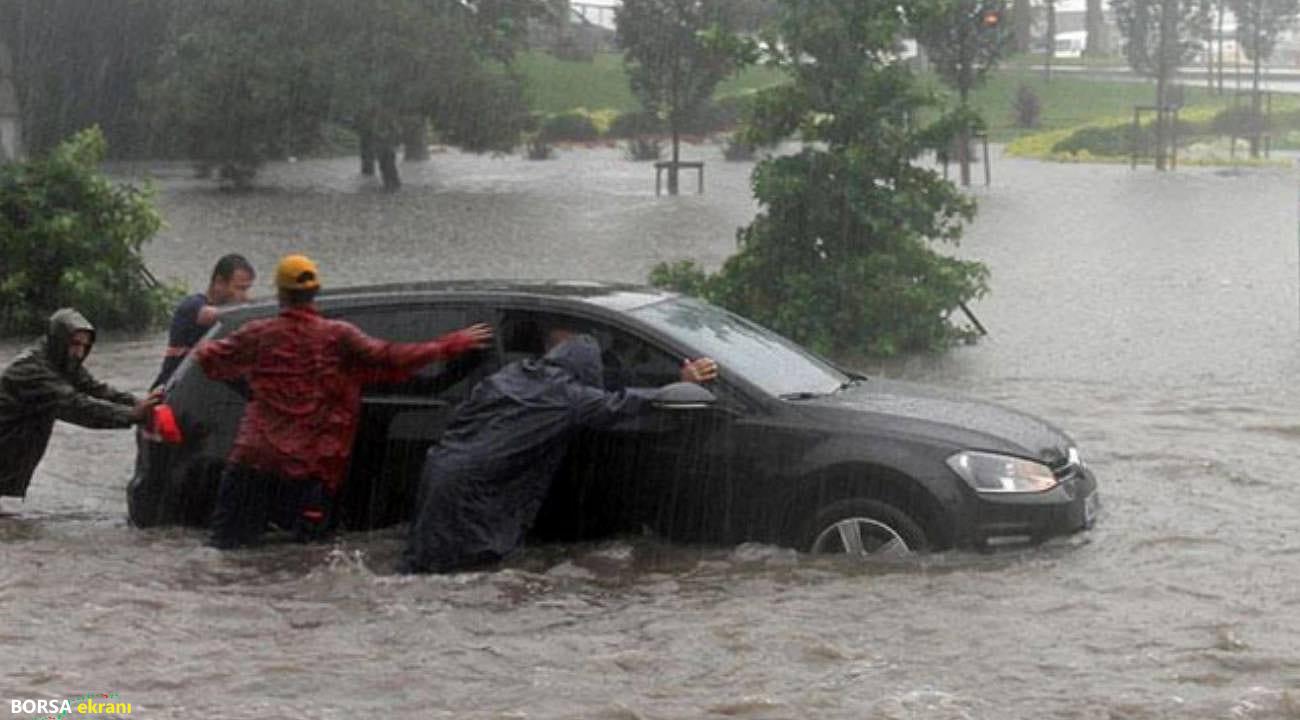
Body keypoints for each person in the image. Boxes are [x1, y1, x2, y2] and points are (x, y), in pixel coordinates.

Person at [194, 254, 492, 549]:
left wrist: (253, 390)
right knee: (306, 559)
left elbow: (207, 357)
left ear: (280, 293)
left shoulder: (257, 333)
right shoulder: (339, 337)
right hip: (308, 469)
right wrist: (450, 344)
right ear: (316, 293)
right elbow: (394, 357)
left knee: (226, 551)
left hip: (254, 462)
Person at [399, 327, 718, 574]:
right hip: (478, 492)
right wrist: (679, 384)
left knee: (426, 563)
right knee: (470, 569)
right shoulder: (567, 396)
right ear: (586, 368)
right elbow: (621, 404)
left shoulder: (513, 374)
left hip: (440, 470)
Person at [0, 308, 161, 508]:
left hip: (15, 454)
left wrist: (138, 402)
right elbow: (78, 407)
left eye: (85, 346)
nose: (80, 352)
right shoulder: (33, 370)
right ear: (59, 340)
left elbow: (95, 388)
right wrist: (132, 415)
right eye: (75, 344)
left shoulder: (59, 360)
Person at [151, 253, 256, 389]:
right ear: (219, 282)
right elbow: (208, 315)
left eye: (247, 289)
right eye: (240, 288)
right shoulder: (192, 305)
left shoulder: (230, 316)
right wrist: (255, 312)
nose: (245, 296)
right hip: (171, 390)